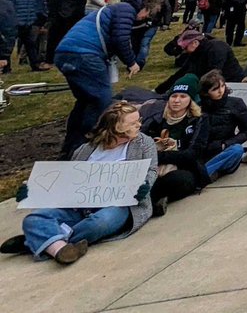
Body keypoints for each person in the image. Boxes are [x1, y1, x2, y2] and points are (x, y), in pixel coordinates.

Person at [2, 101, 158, 263]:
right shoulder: (85, 149)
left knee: (100, 223)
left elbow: (151, 170)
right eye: (133, 123)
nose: (139, 125)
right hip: (79, 205)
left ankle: (44, 242)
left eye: (139, 120)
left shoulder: (143, 143)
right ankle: (59, 248)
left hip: (118, 204)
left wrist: (144, 185)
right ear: (116, 126)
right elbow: (67, 179)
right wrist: (32, 191)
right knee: (33, 219)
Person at [53, 0, 160, 158]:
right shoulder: (126, 9)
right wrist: (131, 62)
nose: (144, 18)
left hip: (66, 52)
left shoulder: (116, 8)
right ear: (145, 7)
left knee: (85, 101)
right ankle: (85, 146)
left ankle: (71, 145)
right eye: (147, 14)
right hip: (86, 54)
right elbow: (121, 38)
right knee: (101, 102)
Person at [141, 75, 211, 213]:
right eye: (174, 96)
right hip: (153, 169)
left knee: (180, 180)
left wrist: (161, 156)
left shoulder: (199, 120)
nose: (177, 100)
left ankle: (150, 203)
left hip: (183, 168)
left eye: (183, 96)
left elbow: (192, 153)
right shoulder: (157, 120)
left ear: (191, 100)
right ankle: (151, 203)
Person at [198, 71, 247, 180]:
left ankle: (203, 174)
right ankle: (209, 171)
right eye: (215, 89)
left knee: (237, 150)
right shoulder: (198, 107)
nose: (220, 91)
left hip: (224, 147)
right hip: (203, 150)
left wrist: (226, 144)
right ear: (206, 92)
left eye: (223, 86)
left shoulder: (236, 103)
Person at [157, 27, 244, 92]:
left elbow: (214, 73)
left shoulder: (216, 48)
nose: (184, 51)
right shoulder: (195, 52)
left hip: (231, 84)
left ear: (195, 43)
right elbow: (183, 72)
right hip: (212, 83)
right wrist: (161, 89)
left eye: (185, 47)